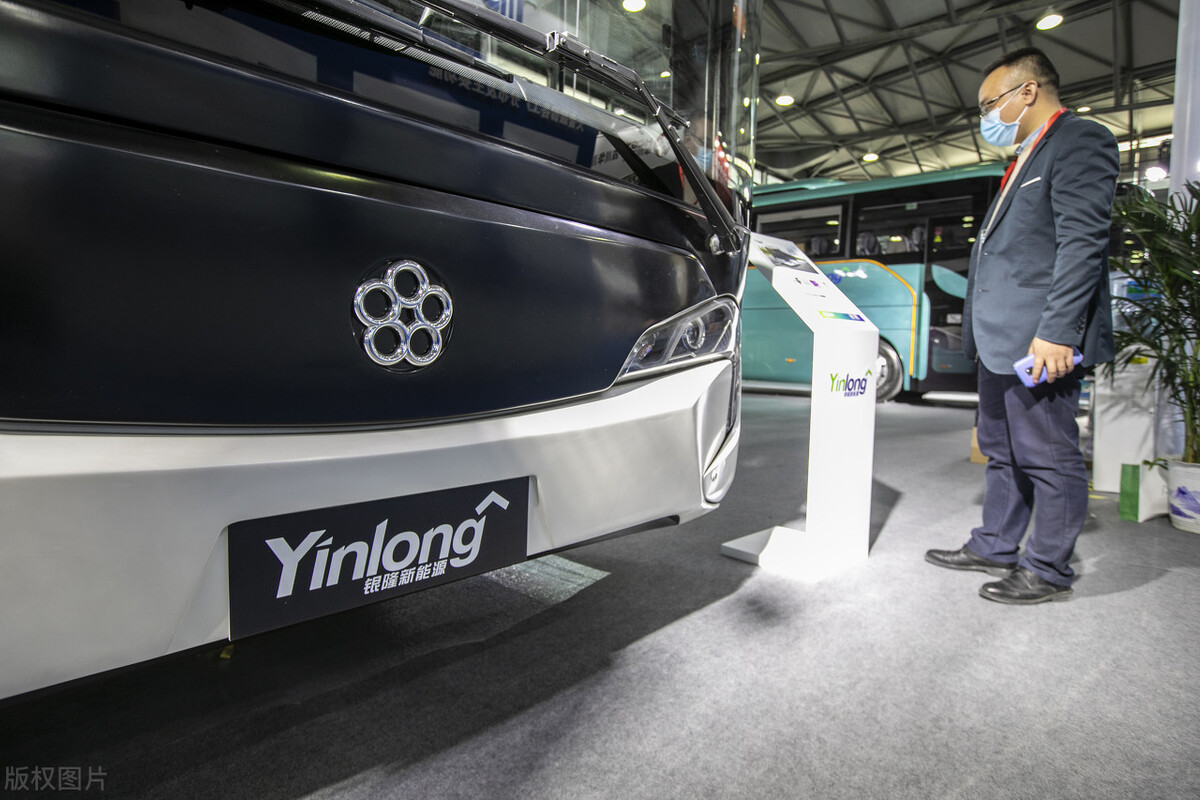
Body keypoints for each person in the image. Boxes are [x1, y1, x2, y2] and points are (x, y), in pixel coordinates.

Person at [925, 47, 1119, 604]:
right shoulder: (1024, 156)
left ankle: (1048, 569)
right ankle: (995, 544)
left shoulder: (1080, 140)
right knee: (1001, 447)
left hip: (1040, 338)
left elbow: (1082, 244)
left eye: (990, 104)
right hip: (1000, 338)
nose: (986, 116)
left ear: (1027, 91)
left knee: (1047, 454)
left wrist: (1058, 332)